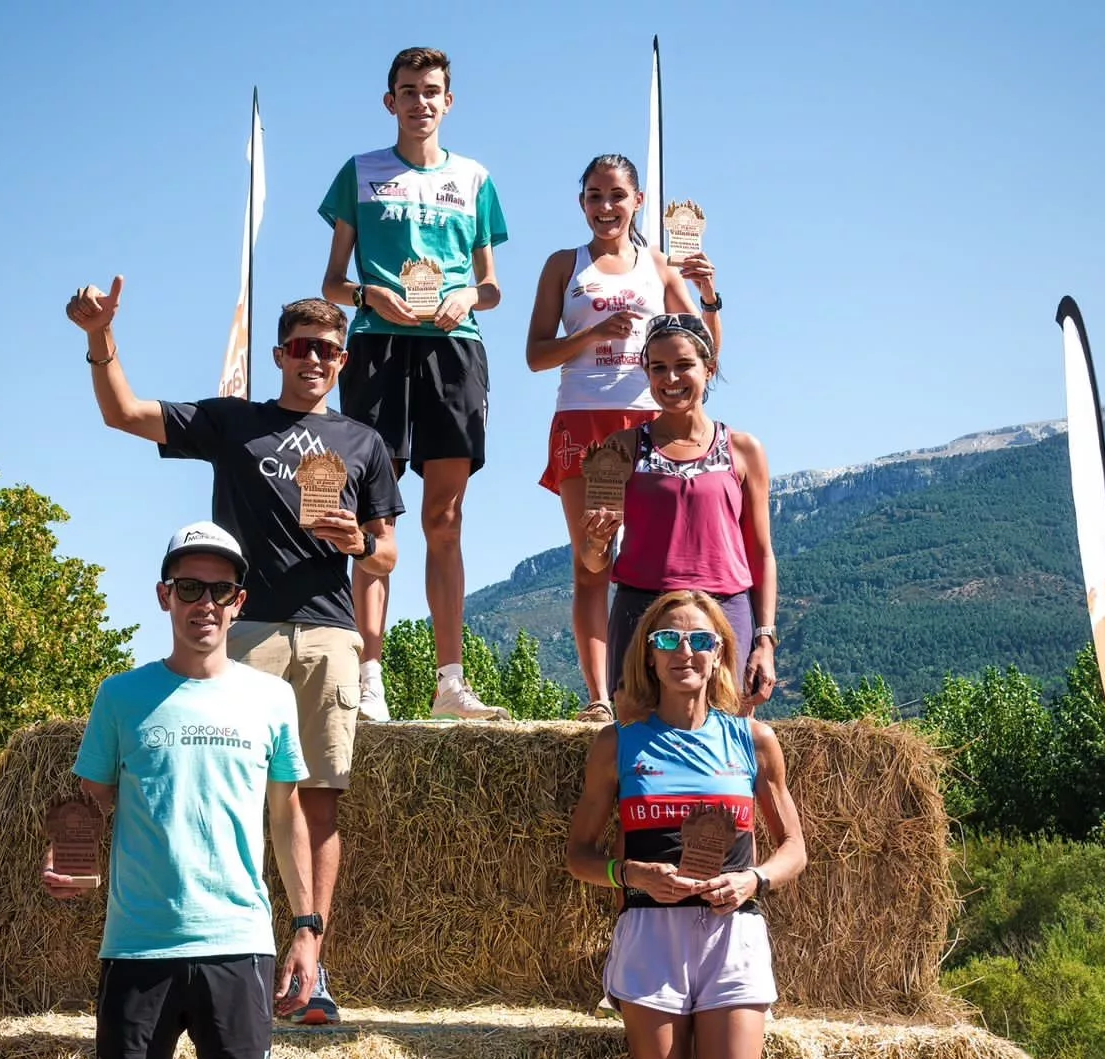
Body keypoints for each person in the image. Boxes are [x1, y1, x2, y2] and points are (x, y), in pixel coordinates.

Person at [67, 288, 408, 1024]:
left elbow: (388, 553)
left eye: (328, 350)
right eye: (301, 347)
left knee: (317, 802)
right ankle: (234, 960)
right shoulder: (233, 422)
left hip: (326, 634)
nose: (314, 359)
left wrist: (360, 546)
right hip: (238, 632)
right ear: (280, 354)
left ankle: (311, 965)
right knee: (235, 799)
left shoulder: (363, 442)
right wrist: (102, 339)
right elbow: (122, 413)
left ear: (343, 360)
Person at [42, 521, 320, 1059]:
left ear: (239, 602)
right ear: (164, 596)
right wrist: (69, 861)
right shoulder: (120, 696)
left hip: (240, 942)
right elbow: (87, 804)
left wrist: (306, 928)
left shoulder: (270, 698)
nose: (205, 603)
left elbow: (287, 819)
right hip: (138, 948)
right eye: (188, 588)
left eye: (220, 590)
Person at [565, 591, 809, 1059]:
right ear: (647, 654)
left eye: (700, 640)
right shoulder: (618, 745)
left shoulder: (755, 742)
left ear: (720, 654)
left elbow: (795, 847)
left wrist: (757, 882)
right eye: (667, 638)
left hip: (734, 941)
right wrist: (626, 870)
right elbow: (577, 853)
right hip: (650, 941)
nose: (684, 652)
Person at [320, 45, 511, 722]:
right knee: (374, 518)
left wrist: (468, 299)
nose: (420, 102)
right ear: (390, 101)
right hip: (377, 347)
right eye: (408, 90)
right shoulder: (361, 172)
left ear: (448, 101)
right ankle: (368, 677)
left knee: (444, 519)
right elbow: (331, 282)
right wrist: (369, 292)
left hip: (455, 350)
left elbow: (490, 286)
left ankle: (449, 682)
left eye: (432, 91)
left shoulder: (475, 177)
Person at [526, 154, 722, 718]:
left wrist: (708, 294)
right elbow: (536, 355)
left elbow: (707, 350)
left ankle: (665, 690)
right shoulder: (565, 265)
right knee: (592, 560)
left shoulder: (659, 266)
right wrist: (588, 335)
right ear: (581, 203)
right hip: (584, 417)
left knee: (658, 557)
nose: (605, 207)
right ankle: (598, 698)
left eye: (616, 196)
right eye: (594, 196)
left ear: (638, 202)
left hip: (646, 420)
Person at [578, 315, 778, 711]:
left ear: (710, 368)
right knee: (636, 750)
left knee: (726, 747)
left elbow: (761, 552)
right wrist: (597, 541)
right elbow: (593, 560)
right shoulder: (622, 448)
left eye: (683, 365)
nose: (670, 379)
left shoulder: (743, 449)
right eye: (658, 368)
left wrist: (765, 640)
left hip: (725, 614)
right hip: (641, 615)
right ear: (646, 372)